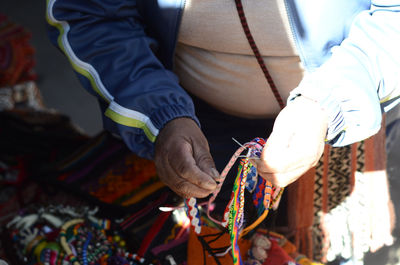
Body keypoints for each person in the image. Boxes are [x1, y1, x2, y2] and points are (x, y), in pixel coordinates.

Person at [46, 0, 400, 262]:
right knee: (197, 245)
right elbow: (88, 13)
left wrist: (327, 105)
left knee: (331, 250)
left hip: (346, 116)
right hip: (188, 120)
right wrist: (159, 114)